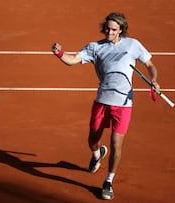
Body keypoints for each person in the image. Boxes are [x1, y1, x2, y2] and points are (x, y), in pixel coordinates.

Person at [51, 12, 160, 200]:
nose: (109, 32)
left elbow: (150, 64)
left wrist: (154, 80)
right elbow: (73, 60)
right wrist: (60, 53)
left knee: (116, 143)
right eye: (107, 28)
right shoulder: (95, 47)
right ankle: (97, 153)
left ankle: (108, 180)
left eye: (114, 29)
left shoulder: (133, 45)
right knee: (92, 139)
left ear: (121, 30)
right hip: (102, 101)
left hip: (124, 104)